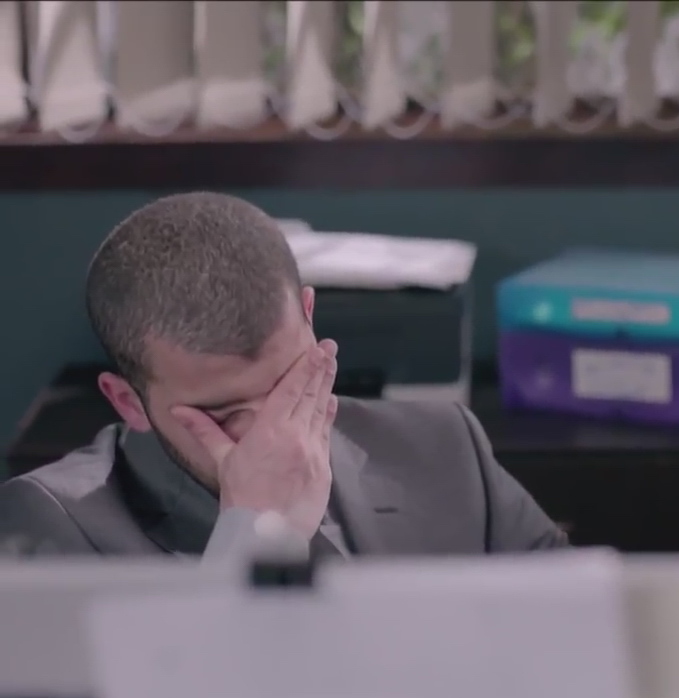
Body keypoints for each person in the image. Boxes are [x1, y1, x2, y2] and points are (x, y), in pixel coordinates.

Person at [0, 192, 568, 559]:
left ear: (309, 315)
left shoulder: (445, 449)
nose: (276, 434)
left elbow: (587, 638)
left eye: (290, 385)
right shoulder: (53, 523)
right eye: (223, 415)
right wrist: (254, 533)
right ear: (128, 402)